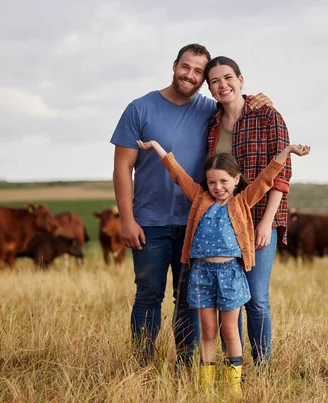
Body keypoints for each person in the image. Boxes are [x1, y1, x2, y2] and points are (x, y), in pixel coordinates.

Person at [110, 43, 272, 367]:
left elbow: (234, 101)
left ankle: (185, 366)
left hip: (195, 223)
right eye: (186, 67)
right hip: (149, 222)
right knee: (148, 296)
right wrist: (126, 219)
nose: (191, 75)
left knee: (188, 301)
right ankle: (143, 366)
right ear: (174, 66)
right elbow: (121, 169)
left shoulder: (207, 109)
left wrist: (259, 99)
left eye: (199, 71)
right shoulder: (139, 108)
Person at [136, 138, 310, 394]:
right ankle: (206, 387)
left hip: (230, 274)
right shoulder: (199, 199)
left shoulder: (241, 203)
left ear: (236, 180)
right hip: (201, 274)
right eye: (212, 182)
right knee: (207, 330)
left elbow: (265, 179)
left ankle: (234, 387)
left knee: (229, 329)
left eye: (224, 181)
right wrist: (157, 148)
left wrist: (286, 152)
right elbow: (177, 174)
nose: (218, 187)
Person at [204, 56, 292, 366]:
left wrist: (266, 223)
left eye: (228, 77)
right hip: (224, 225)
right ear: (210, 89)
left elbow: (281, 176)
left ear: (241, 80)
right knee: (230, 300)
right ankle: (235, 364)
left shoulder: (268, 116)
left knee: (256, 298)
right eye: (214, 81)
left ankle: (263, 365)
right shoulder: (213, 123)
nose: (222, 84)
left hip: (259, 221)